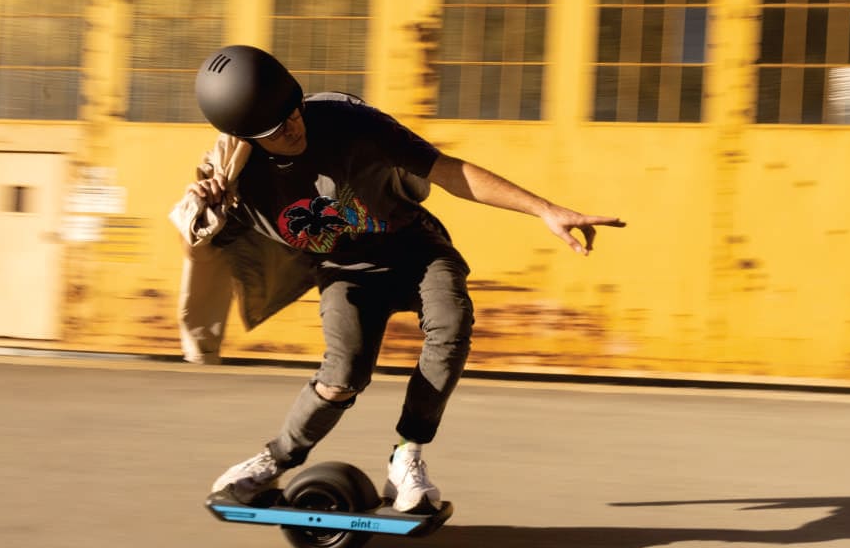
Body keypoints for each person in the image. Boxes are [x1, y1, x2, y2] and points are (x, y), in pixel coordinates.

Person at [173, 44, 625, 513]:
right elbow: (206, 246)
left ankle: (407, 456)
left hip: (414, 246)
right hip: (343, 271)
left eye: (293, 111)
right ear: (246, 137)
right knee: (342, 378)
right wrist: (207, 210)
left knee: (451, 325)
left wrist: (544, 209)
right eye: (274, 129)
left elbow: (449, 171)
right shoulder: (236, 182)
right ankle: (274, 460)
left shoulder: (350, 123)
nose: (292, 128)